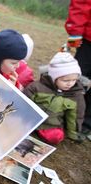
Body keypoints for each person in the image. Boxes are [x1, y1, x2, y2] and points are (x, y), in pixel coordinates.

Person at [24, 52, 86, 145]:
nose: (70, 84)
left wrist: (73, 134)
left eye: (74, 80)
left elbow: (75, 116)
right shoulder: (37, 87)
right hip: (31, 119)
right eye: (65, 80)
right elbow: (25, 102)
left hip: (50, 125)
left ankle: (40, 131)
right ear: (54, 77)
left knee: (56, 136)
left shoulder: (75, 95)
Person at [65, 0, 91, 130]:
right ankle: (66, 116)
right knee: (76, 80)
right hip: (88, 42)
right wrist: (75, 34)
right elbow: (81, 4)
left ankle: (86, 122)